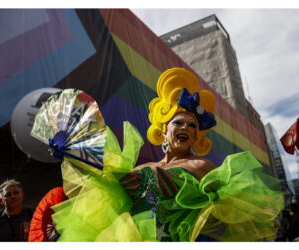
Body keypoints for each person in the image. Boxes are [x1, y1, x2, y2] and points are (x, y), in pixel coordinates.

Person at [37, 68, 284, 241]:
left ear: (197, 136)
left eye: (192, 125)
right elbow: (105, 187)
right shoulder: (140, 170)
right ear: (164, 130)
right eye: (178, 123)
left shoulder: (202, 166)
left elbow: (227, 217)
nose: (186, 128)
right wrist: (75, 154)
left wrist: (188, 204)